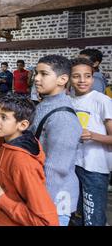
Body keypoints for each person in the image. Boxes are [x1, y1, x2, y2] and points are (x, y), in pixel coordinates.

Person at [0, 94, 59, 226]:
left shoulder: (23, 163)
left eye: (3, 117)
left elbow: (46, 222)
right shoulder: (4, 138)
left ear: (23, 125)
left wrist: (2, 199)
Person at [30, 55, 82, 226]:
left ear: (62, 79)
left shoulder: (63, 117)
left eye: (44, 74)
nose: (36, 78)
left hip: (53, 201)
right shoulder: (46, 104)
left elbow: (56, 169)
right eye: (36, 73)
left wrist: (40, 205)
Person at [69, 57, 112, 226]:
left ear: (93, 78)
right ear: (68, 78)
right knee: (77, 214)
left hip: (94, 168)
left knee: (93, 215)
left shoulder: (102, 101)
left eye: (87, 76)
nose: (82, 80)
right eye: (76, 76)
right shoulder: (69, 101)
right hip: (73, 165)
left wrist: (92, 135)